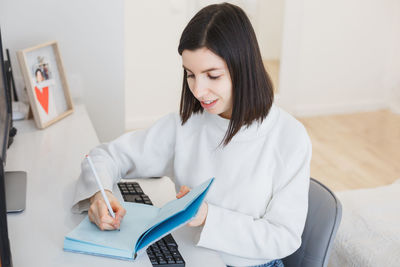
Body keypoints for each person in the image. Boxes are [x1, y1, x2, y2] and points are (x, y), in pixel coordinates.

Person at [72, 3, 311, 267]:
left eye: (213, 75)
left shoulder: (289, 137)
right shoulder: (187, 124)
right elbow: (104, 156)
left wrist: (208, 216)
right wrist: (99, 195)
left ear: (244, 68)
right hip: (189, 256)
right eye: (190, 75)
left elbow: (284, 238)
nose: (198, 90)